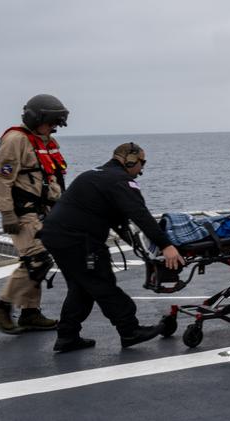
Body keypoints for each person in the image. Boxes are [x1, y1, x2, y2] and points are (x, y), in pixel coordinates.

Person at [38, 142, 184, 353]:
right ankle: (130, 330)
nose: (141, 170)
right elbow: (140, 215)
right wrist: (166, 245)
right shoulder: (121, 181)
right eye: (142, 163)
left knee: (81, 287)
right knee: (102, 283)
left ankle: (67, 336)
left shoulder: (93, 175)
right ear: (131, 160)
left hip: (54, 236)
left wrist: (142, 249)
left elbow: (120, 221)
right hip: (79, 241)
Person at [0, 94, 70, 335]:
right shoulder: (15, 140)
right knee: (37, 260)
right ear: (37, 118)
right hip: (22, 213)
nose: (54, 127)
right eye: (51, 122)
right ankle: (0, 306)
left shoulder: (43, 141)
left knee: (36, 262)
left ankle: (30, 313)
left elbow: (49, 179)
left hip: (43, 212)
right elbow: (1, 178)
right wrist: (6, 213)